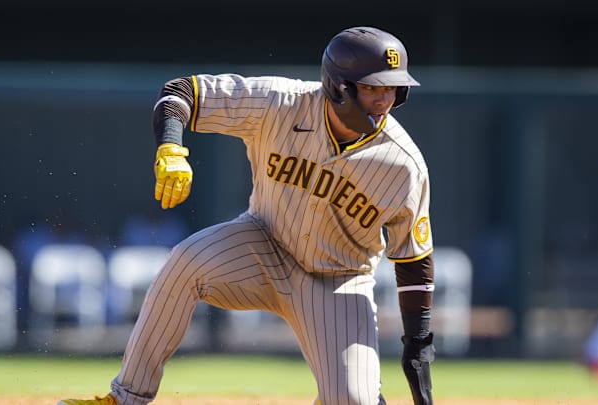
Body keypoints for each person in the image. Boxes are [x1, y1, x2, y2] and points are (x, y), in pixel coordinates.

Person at [58, 26, 436, 405]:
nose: (385, 98)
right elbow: (180, 92)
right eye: (373, 87)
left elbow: (414, 260)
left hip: (339, 280)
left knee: (353, 400)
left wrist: (418, 344)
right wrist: (170, 147)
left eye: (393, 88)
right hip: (261, 243)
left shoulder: (404, 164)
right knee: (185, 261)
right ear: (339, 86)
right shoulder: (281, 102)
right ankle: (126, 398)